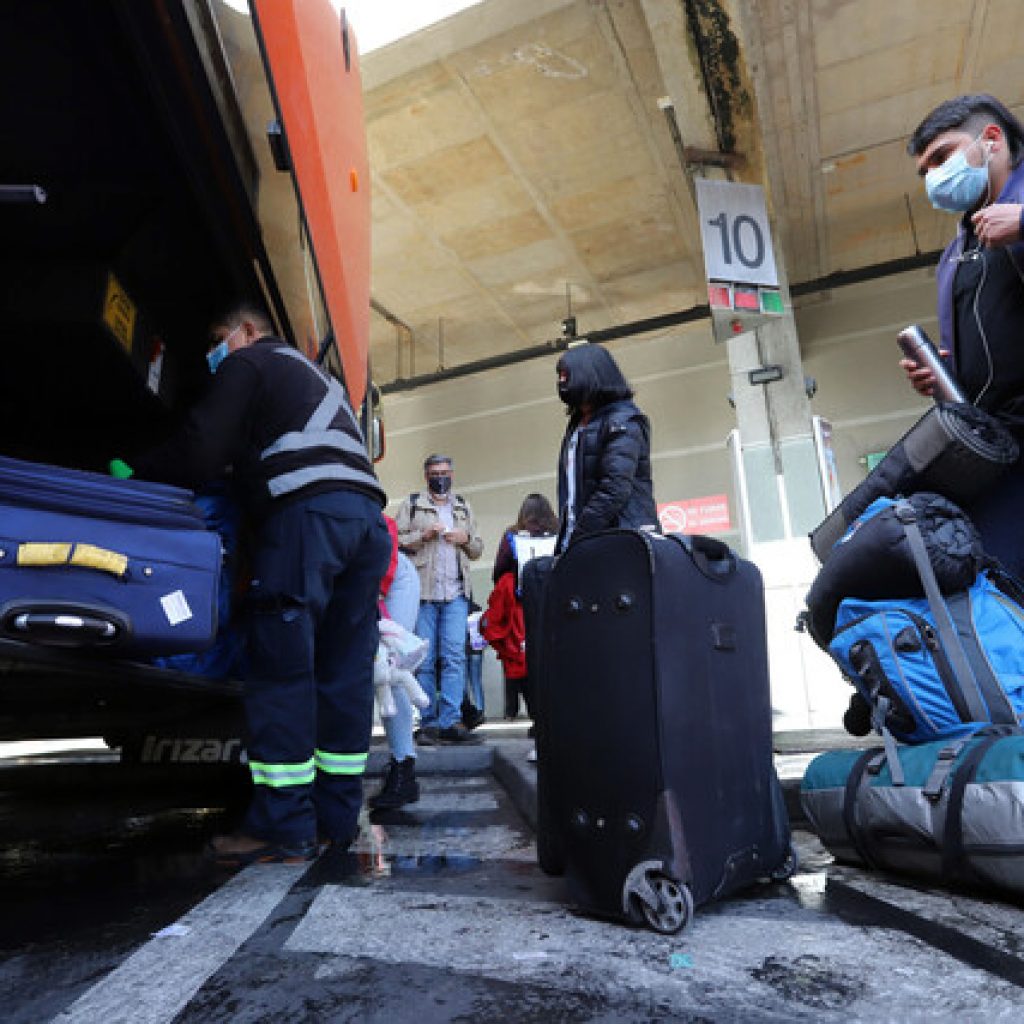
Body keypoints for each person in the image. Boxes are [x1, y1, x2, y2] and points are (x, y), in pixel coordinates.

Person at [121, 304, 390, 864]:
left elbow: (200, 446)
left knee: (282, 668)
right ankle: (334, 821)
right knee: (342, 675)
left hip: (307, 523)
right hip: (365, 525)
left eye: (220, 338)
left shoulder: (253, 362)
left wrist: (134, 472)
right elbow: (251, 459)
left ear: (247, 330)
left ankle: (281, 825)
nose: (216, 354)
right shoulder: (321, 381)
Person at [903, 94, 1024, 578]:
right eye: (925, 169)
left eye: (942, 156)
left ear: (990, 140)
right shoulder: (957, 252)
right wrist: (943, 375)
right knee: (998, 582)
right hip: (998, 448)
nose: (934, 175)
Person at [395, 454, 484, 744]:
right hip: (423, 593)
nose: (440, 477)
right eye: (435, 472)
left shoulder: (462, 506)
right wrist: (423, 535)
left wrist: (465, 539)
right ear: (426, 476)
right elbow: (395, 541)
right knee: (425, 658)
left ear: (452, 474)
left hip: (456, 593)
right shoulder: (412, 504)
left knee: (455, 657)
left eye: (445, 472)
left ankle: (450, 720)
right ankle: (428, 722)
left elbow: (478, 548)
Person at [554, 343, 658, 551]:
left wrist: (580, 535)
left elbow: (615, 488)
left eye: (566, 375)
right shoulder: (576, 425)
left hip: (621, 541)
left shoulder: (623, 420)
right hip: (584, 542)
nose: (561, 382)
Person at [489, 493, 559, 725]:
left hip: (521, 609)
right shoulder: (560, 532)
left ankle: (534, 717)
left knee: (521, 661)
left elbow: (499, 570)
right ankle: (552, 716)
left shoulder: (512, 535)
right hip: (554, 607)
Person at [368, 515, 422, 810]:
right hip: (370, 579)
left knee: (390, 669)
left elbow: (385, 537)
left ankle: (404, 770)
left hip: (391, 580)